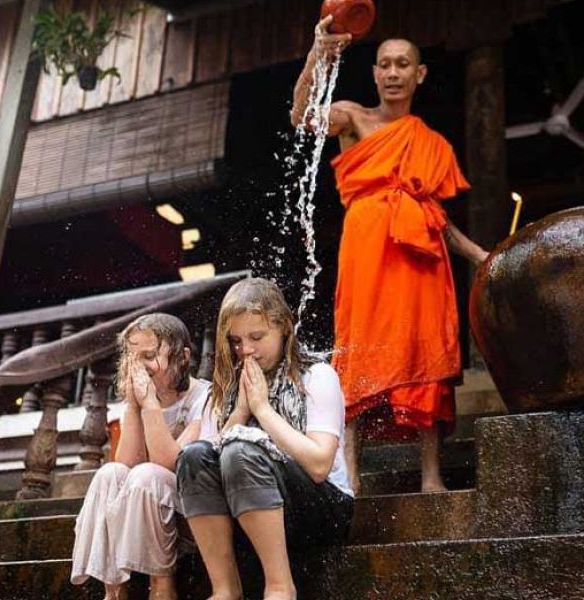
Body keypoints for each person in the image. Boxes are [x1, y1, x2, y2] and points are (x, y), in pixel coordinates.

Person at [290, 17, 488, 494]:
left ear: (420, 74)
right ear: (375, 73)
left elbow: (436, 215)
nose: (394, 72)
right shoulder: (354, 117)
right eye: (385, 65)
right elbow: (301, 117)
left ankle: (431, 476)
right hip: (367, 250)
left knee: (424, 347)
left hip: (421, 255)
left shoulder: (431, 143)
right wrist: (318, 53)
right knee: (358, 351)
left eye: (403, 64)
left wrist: (478, 254)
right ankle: (351, 475)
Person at [176, 278, 353, 600]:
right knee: (194, 456)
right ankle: (225, 590)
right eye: (236, 340)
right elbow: (210, 463)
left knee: (242, 450)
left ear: (284, 327)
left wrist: (262, 409)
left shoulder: (317, 375)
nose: (246, 350)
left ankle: (280, 587)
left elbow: (318, 464)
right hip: (246, 509)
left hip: (320, 507)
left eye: (257, 337)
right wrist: (241, 411)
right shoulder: (225, 387)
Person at [71, 313, 211, 600]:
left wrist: (148, 404)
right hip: (141, 512)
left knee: (148, 474)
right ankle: (114, 591)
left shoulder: (205, 398)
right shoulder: (139, 399)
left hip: (194, 515)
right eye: (134, 360)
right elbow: (126, 465)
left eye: (149, 356)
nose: (141, 369)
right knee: (109, 474)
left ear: (183, 357)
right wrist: (134, 407)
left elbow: (172, 465)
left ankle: (162, 587)